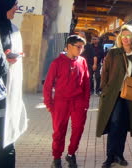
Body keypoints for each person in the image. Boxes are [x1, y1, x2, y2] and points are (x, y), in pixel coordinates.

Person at [96, 25, 132, 168]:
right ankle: (110, 156)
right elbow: (105, 72)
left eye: (128, 35)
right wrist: (105, 89)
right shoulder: (113, 53)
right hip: (115, 94)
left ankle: (119, 155)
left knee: (124, 125)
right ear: (120, 38)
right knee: (115, 123)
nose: (125, 38)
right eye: (123, 36)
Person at [0, 0, 28, 168]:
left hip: (2, 93)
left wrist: (13, 57)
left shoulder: (11, 28)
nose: (16, 7)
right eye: (13, 4)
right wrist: (5, 59)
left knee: (6, 140)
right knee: (6, 141)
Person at [43, 35, 90, 168]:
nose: (81, 50)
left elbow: (86, 83)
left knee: (78, 129)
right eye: (79, 47)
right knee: (59, 131)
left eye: (83, 47)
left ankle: (71, 154)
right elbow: (48, 85)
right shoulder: (57, 62)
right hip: (61, 103)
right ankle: (56, 157)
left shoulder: (82, 61)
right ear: (69, 46)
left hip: (79, 102)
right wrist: (48, 103)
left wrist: (86, 102)